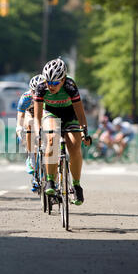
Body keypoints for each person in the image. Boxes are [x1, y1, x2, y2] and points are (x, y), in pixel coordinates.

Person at [34, 58, 92, 205]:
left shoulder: (70, 85)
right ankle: (50, 181)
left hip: (70, 113)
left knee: (74, 145)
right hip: (51, 113)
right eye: (48, 82)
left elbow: (79, 111)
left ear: (63, 79)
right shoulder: (41, 87)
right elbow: (37, 116)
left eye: (55, 83)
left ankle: (77, 186)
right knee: (52, 139)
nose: (50, 86)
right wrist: (37, 134)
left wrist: (85, 131)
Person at [16, 74, 45, 176]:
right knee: (30, 123)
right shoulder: (26, 97)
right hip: (30, 114)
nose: (35, 94)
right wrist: (19, 129)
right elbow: (20, 116)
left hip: (43, 115)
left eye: (38, 91)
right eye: (33, 91)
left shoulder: (49, 96)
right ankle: (31, 156)